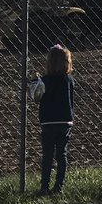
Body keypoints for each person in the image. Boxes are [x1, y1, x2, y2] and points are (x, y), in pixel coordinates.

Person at [31, 44, 75, 195]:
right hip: (65, 121)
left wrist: (34, 82)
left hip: (48, 121)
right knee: (62, 154)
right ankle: (59, 186)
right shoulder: (68, 80)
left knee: (48, 155)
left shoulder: (45, 81)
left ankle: (44, 186)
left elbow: (36, 97)